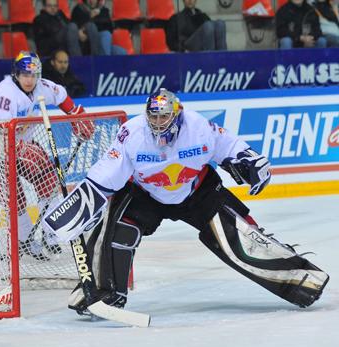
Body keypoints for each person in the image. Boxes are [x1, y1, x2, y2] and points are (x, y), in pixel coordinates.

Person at [43, 88, 329, 315]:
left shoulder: (198, 127)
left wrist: (249, 161)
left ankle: (299, 278)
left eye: (163, 117)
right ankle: (103, 292)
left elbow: (227, 145)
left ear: (176, 114)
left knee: (238, 239)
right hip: (146, 194)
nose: (157, 123)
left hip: (196, 191)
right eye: (153, 117)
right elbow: (105, 175)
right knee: (116, 231)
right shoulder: (132, 134)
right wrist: (73, 212)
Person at [0, 51, 94, 260]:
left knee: (50, 180)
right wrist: (24, 147)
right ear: (16, 74)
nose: (30, 80)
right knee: (13, 198)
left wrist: (78, 117)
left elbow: (62, 96)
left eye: (33, 75)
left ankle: (50, 235)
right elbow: (1, 131)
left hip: (20, 142)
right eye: (25, 75)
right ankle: (25, 241)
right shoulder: (5, 94)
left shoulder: (41, 85)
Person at [33, 0, 102, 57]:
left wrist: (79, 32)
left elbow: (69, 25)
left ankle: (96, 59)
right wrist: (76, 33)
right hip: (51, 44)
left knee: (90, 26)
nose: (53, 8)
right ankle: (77, 60)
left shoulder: (60, 14)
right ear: (44, 7)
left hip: (66, 39)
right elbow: (51, 32)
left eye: (55, 6)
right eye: (49, 6)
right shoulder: (39, 19)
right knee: (72, 27)